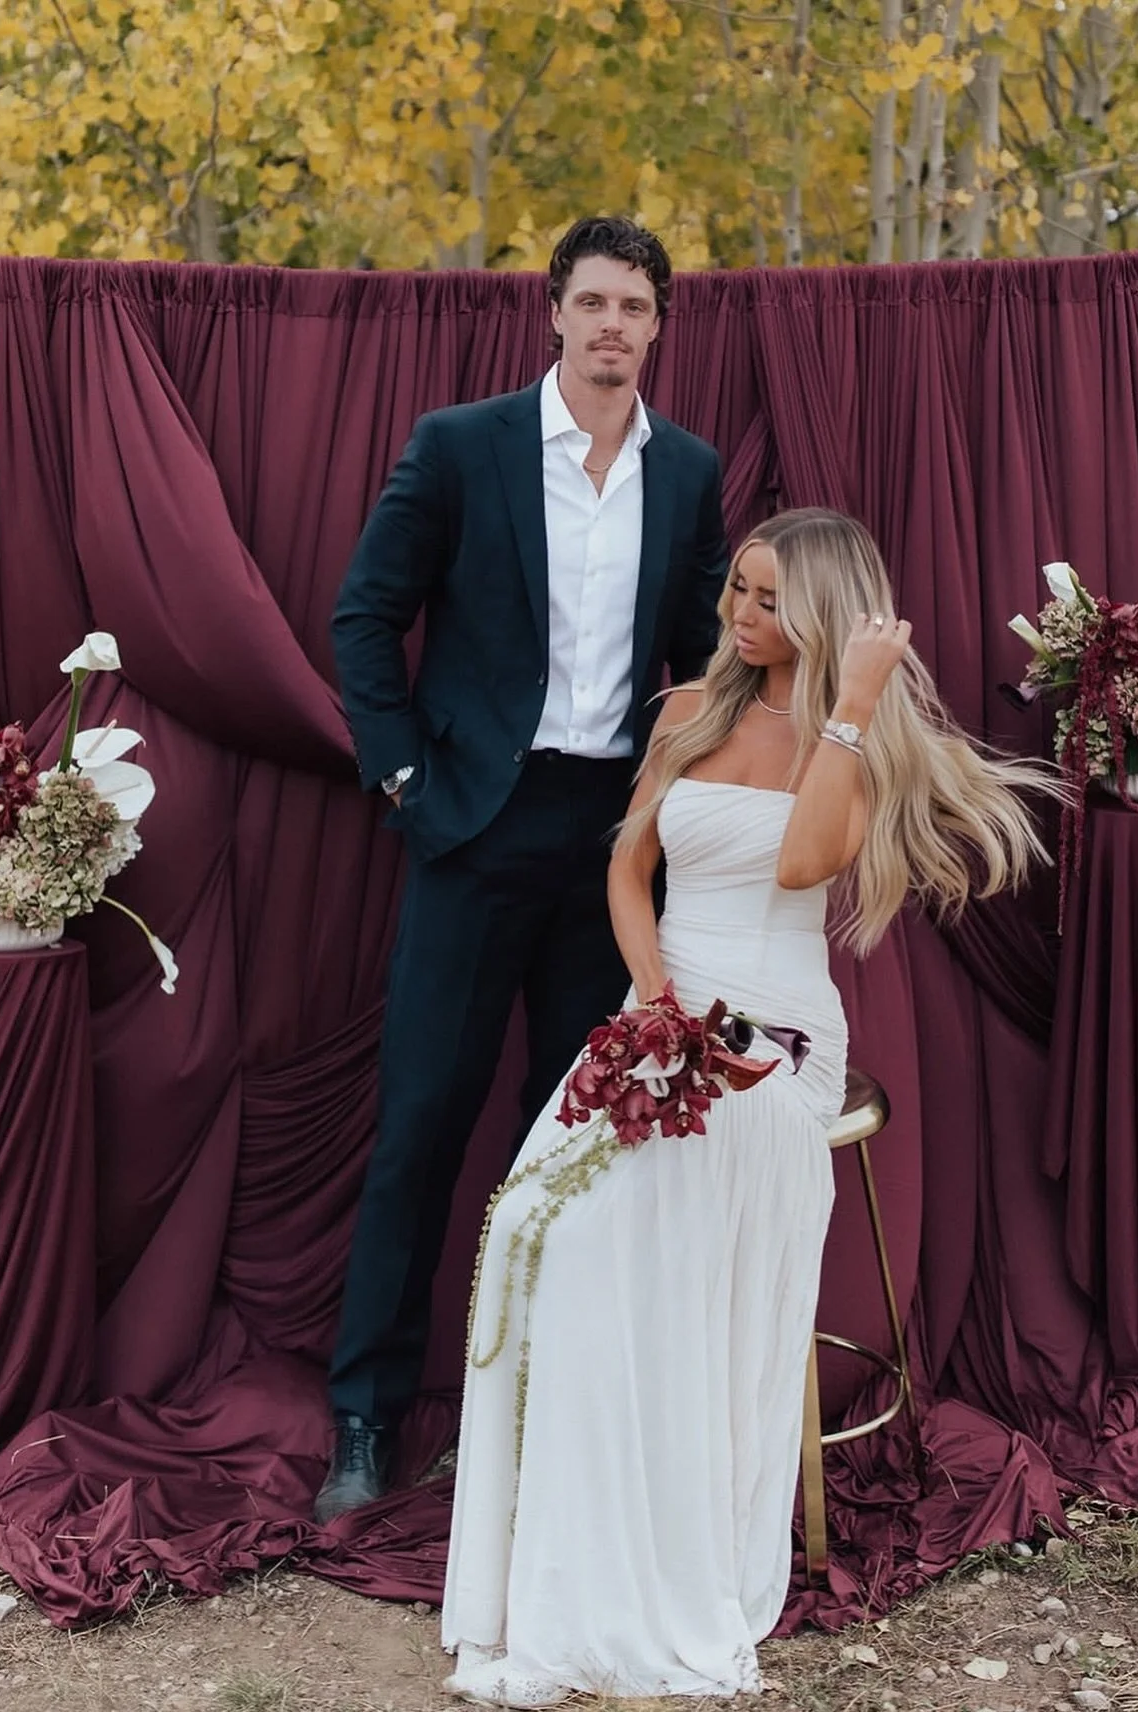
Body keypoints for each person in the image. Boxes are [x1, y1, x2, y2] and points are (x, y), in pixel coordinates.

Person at [440, 508, 1058, 1707]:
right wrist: (659, 1007)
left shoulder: (858, 749)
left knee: (634, 1240)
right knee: (531, 1227)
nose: (740, 612)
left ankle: (656, 1557)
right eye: (737, 587)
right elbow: (629, 869)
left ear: (821, 616)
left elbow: (796, 867)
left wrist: (850, 704)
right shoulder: (687, 711)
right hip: (664, 1008)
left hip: (772, 1040)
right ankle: (561, 1546)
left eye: (770, 600)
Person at [320, 216, 729, 1521]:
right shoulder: (460, 448)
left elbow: (708, 659)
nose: (614, 325)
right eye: (593, 302)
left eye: (635, 307)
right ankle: (365, 1422)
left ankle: (543, 1411)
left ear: (659, 325)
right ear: (553, 313)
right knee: (419, 1130)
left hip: (611, 845)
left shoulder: (690, 474)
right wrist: (402, 786)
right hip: (470, 823)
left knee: (573, 1141)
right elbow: (362, 621)